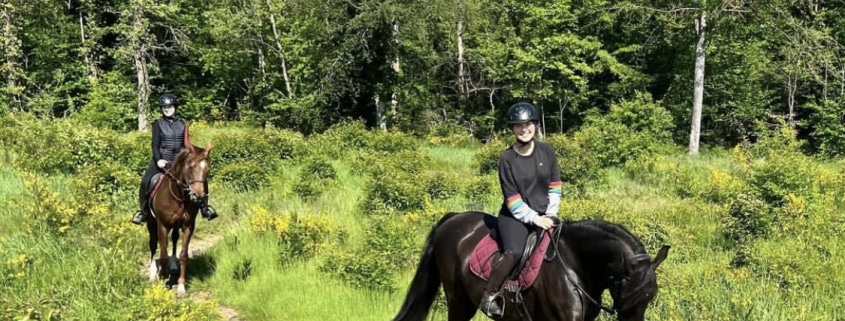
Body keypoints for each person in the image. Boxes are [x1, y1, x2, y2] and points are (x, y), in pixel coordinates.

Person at [479, 102, 562, 318]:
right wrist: (536, 220)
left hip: (545, 214)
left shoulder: (547, 152)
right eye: (518, 126)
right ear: (512, 129)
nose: (524, 129)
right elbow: (512, 200)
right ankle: (489, 296)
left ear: (535, 125)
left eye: (528, 124)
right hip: (515, 216)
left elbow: (555, 187)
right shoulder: (507, 159)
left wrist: (551, 214)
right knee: (514, 251)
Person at [130, 94, 219, 225]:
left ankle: (205, 207)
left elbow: (187, 143)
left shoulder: (182, 124)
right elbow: (155, 144)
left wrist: (196, 155)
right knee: (145, 181)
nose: (167, 109)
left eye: (170, 106)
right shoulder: (157, 124)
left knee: (199, 179)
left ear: (175, 107)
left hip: (179, 162)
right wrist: (158, 159)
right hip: (162, 160)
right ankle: (143, 212)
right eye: (164, 107)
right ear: (161, 109)